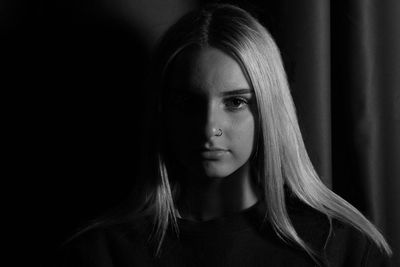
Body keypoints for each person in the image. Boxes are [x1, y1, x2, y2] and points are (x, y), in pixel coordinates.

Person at [56, 4, 393, 267]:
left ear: (268, 111)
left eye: (235, 102)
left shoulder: (341, 249)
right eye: (187, 102)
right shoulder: (101, 254)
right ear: (162, 112)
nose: (208, 127)